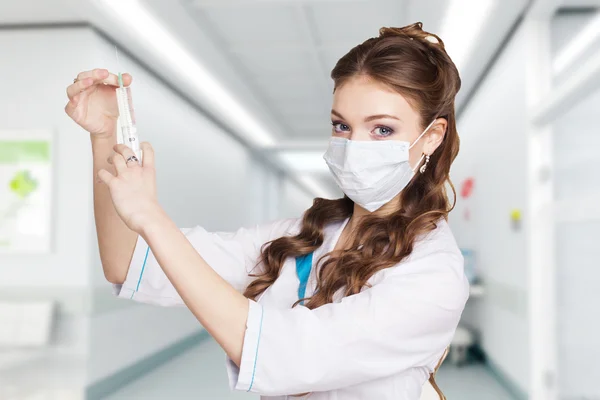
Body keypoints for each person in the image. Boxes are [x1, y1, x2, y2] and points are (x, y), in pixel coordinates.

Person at [65, 22, 468, 400]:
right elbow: (127, 263)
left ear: (431, 136)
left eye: (382, 129)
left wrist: (152, 217)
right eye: (342, 126)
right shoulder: (301, 236)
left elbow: (285, 355)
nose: (355, 145)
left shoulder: (433, 274)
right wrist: (106, 135)